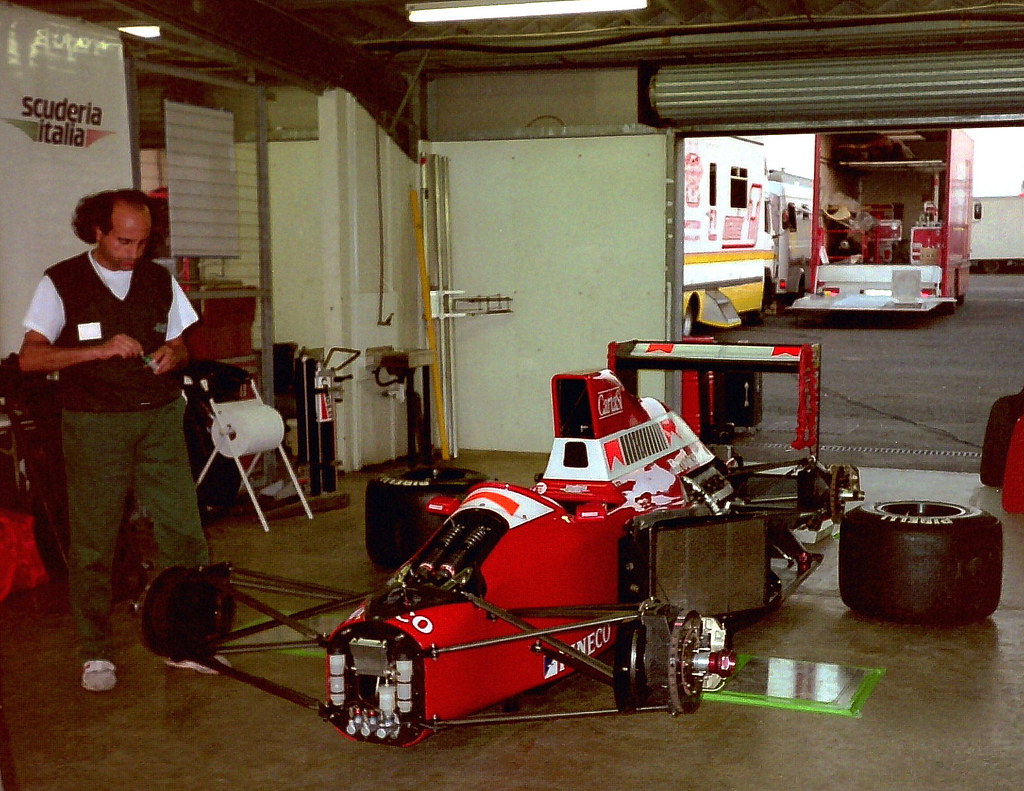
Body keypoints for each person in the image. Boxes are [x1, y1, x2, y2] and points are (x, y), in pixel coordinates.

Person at [19, 189, 220, 692]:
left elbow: (182, 342)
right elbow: (30, 359)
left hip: (160, 419)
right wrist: (97, 351)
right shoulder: (61, 281)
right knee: (95, 539)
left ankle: (186, 641)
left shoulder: (159, 279)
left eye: (143, 242)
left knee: (183, 530)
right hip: (94, 424)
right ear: (97, 233)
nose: (134, 253)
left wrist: (177, 353)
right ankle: (95, 652)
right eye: (124, 242)